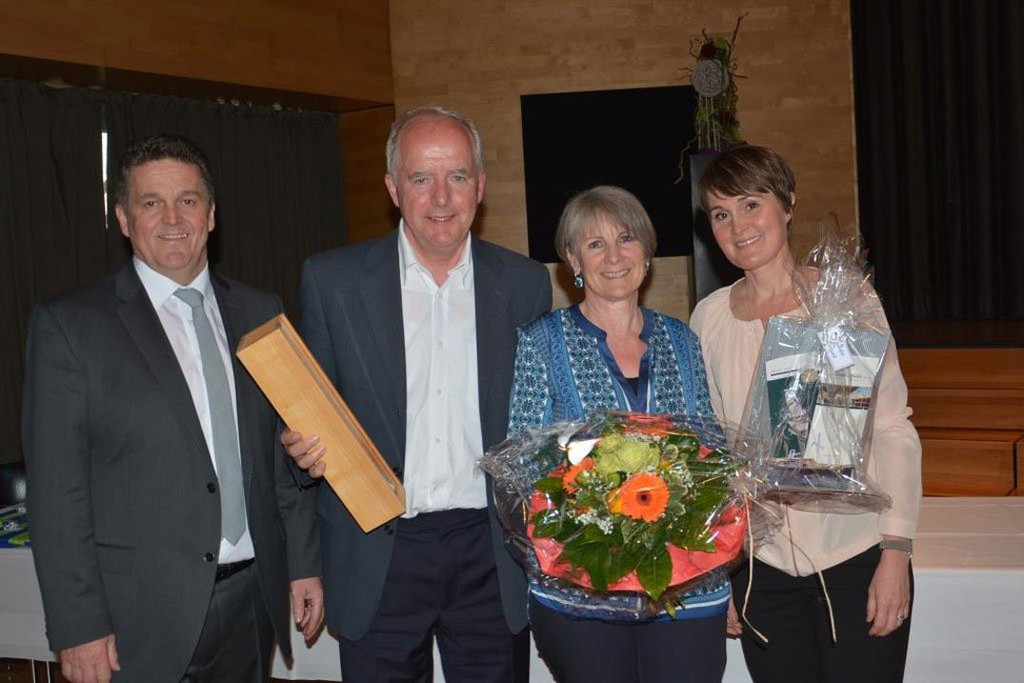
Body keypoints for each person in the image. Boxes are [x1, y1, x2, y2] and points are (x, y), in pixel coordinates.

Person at [22, 134, 324, 683]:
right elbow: (56, 495)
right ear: (123, 218)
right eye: (151, 202)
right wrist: (77, 625)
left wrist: (303, 564)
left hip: (252, 602)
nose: (172, 219)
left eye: (187, 200)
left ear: (211, 215)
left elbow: (282, 459)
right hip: (136, 621)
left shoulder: (261, 311)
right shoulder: (70, 326)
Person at [282, 106, 551, 682]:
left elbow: (538, 427)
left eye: (457, 176)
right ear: (392, 189)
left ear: (480, 186)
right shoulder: (332, 282)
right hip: (378, 550)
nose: (441, 197)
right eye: (421, 178)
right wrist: (296, 447)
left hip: (490, 551)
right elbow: (301, 420)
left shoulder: (525, 284)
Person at [689, 145, 921, 682]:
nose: (737, 227)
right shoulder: (708, 319)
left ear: (788, 203)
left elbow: (891, 426)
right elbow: (712, 455)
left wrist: (896, 551)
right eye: (721, 214)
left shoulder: (844, 300)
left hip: (854, 555)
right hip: (759, 570)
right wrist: (718, 573)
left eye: (751, 205)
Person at [505, 185, 729, 683]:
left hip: (685, 589)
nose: (613, 256)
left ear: (646, 251)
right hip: (583, 592)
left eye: (626, 238)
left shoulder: (681, 339)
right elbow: (522, 465)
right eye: (595, 244)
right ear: (572, 260)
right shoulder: (541, 342)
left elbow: (710, 452)